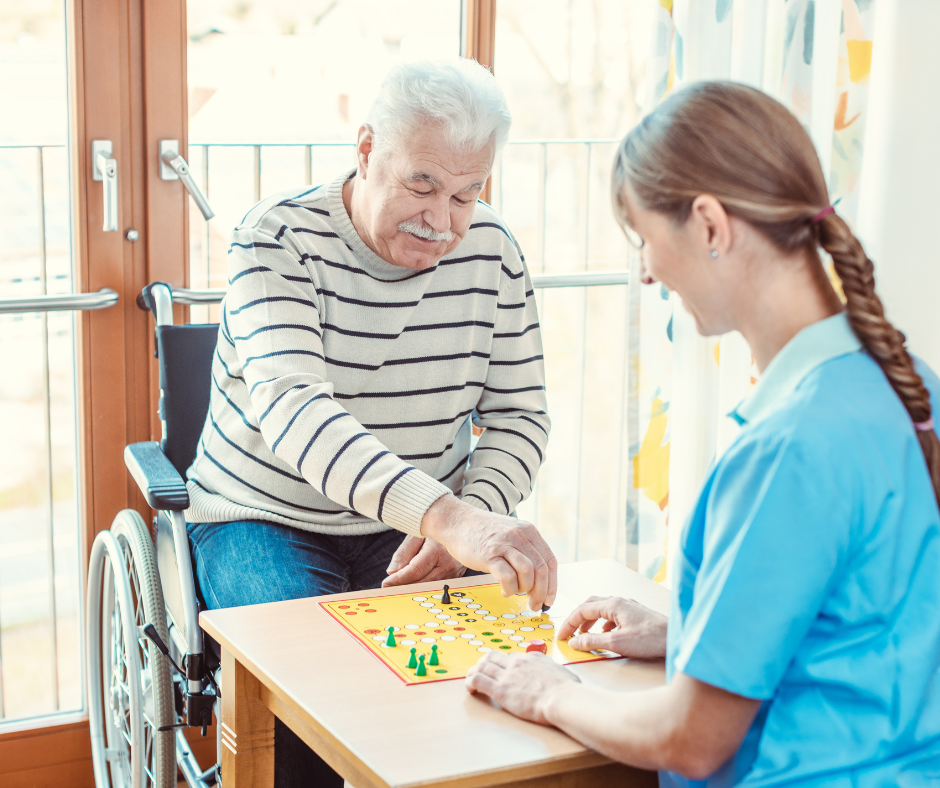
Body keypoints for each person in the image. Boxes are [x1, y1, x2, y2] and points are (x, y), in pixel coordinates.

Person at [466, 81, 940, 786]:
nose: (650, 273)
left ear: (712, 226)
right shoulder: (911, 384)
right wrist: (690, 634)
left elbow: (691, 739)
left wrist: (550, 691)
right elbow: (865, 621)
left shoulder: (789, 447)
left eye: (648, 242)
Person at [184, 58, 557, 786]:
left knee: (475, 698)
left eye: (465, 193)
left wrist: (472, 518)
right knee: (310, 704)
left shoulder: (495, 255)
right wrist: (450, 518)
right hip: (262, 516)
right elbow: (297, 411)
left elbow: (519, 414)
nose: (441, 221)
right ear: (365, 149)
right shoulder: (275, 239)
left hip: (418, 524)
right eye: (422, 183)